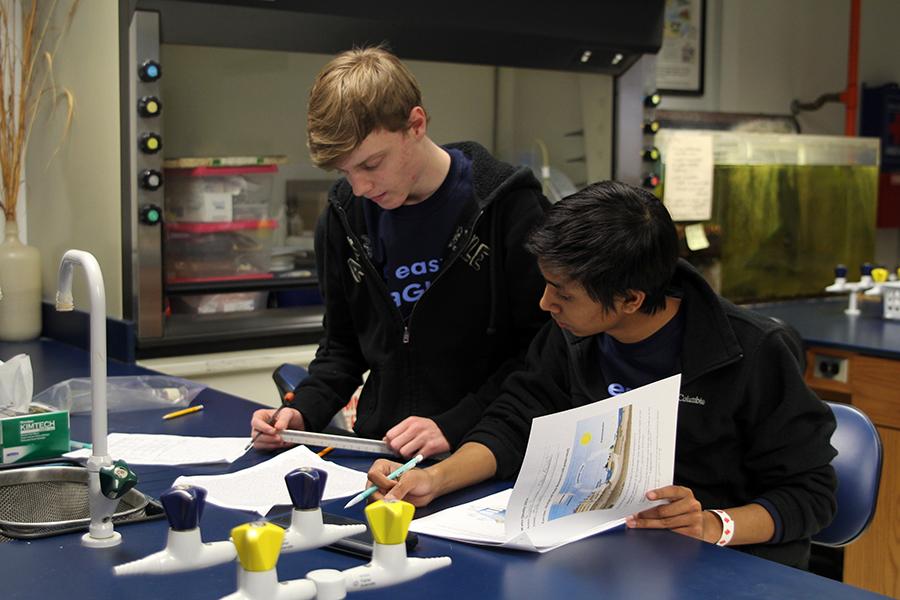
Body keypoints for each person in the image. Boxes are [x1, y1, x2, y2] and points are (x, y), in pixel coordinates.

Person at [366, 180, 837, 568]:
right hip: (600, 554)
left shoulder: (751, 352)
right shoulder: (571, 335)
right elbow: (514, 420)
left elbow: (810, 493)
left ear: (631, 298)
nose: (545, 304)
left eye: (563, 294)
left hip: (723, 566)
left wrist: (712, 525)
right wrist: (437, 479)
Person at [249, 47, 549, 458]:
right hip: (383, 452)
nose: (360, 188)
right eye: (345, 171)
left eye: (371, 164)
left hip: (487, 451)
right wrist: (302, 412)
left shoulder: (507, 208)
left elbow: (543, 350)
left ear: (416, 125)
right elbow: (341, 347)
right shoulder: (344, 216)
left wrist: (455, 424)